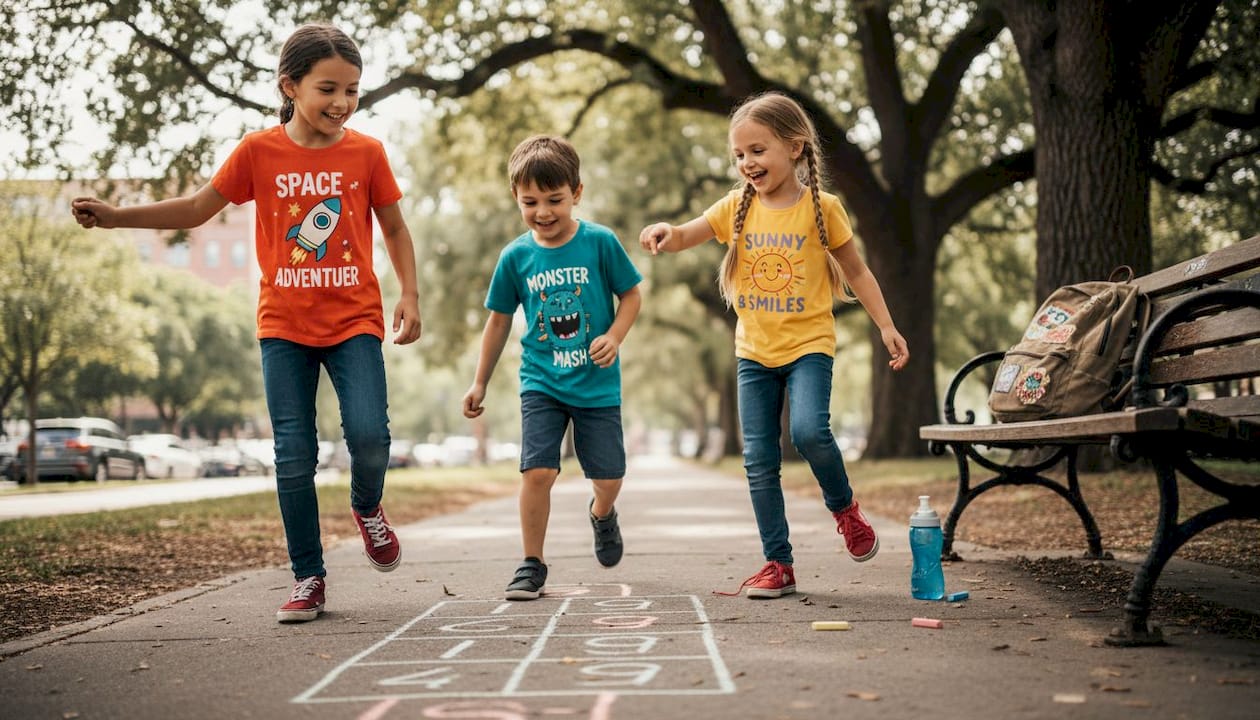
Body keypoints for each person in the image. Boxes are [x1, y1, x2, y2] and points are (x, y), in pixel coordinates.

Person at [71, 24, 422, 623]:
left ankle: (367, 506)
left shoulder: (366, 153)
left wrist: (410, 292)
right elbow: (196, 208)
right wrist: (114, 218)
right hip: (282, 325)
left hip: (354, 319)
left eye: (353, 91)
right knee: (293, 453)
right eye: (328, 89)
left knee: (369, 436)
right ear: (290, 85)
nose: (341, 103)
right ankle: (309, 576)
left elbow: (392, 227)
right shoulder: (258, 151)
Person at [638, 91, 909, 599]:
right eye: (739, 155)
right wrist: (664, 232)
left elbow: (857, 270)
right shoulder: (734, 208)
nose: (747, 163)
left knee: (809, 432)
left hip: (809, 344)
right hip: (754, 354)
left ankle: (845, 509)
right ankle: (778, 563)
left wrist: (886, 326)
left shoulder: (822, 209)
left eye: (757, 151)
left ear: (796, 147)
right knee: (759, 459)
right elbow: (686, 234)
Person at [463, 134, 643, 600]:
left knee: (608, 478)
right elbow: (499, 322)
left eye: (554, 200)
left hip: (597, 383)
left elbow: (632, 295)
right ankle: (531, 563)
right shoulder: (515, 256)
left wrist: (615, 335)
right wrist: (479, 382)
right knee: (537, 472)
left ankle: (602, 513)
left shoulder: (600, 243)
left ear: (576, 193)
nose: (543, 211)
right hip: (541, 381)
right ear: (515, 199)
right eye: (530, 202)